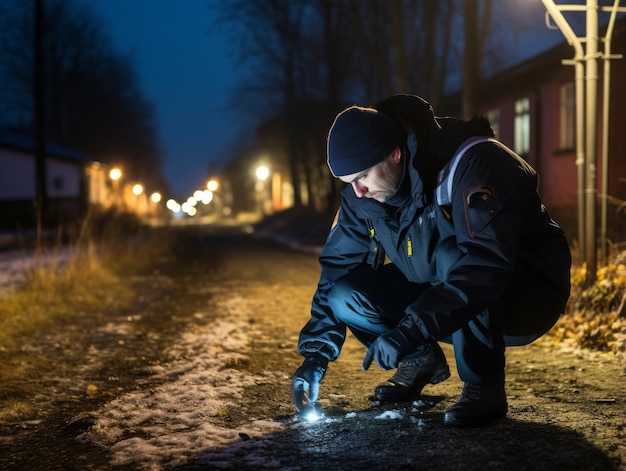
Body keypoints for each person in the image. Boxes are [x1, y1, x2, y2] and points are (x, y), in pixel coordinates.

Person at [291, 94, 571, 427]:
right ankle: (419, 362)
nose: (358, 192)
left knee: (455, 256)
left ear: (394, 154)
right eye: (349, 183)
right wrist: (316, 354)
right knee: (344, 293)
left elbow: (485, 264)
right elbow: (337, 267)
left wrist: (409, 329)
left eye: (362, 177)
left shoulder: (472, 161)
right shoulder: (362, 197)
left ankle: (483, 386)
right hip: (442, 286)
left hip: (526, 294)